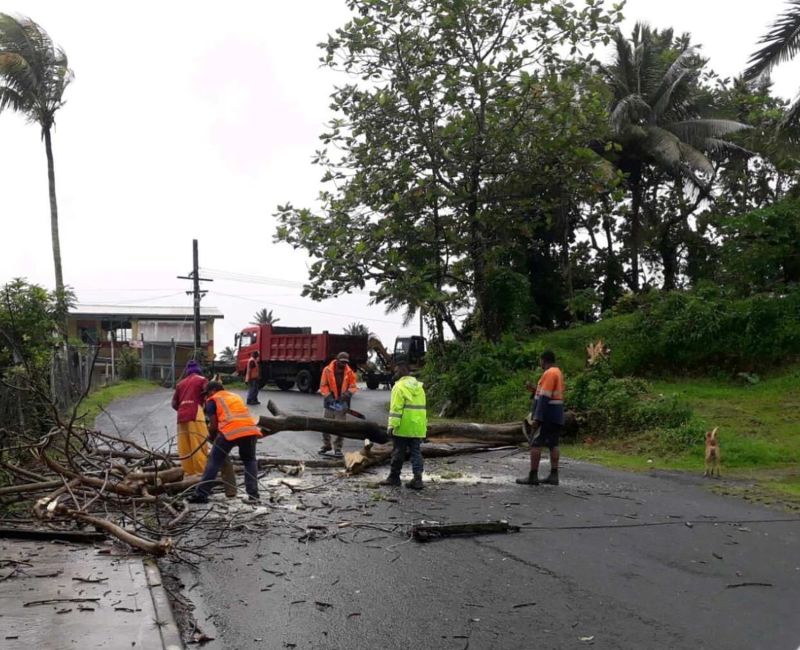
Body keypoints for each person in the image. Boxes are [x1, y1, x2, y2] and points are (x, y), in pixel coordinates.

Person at [187, 381, 262, 504]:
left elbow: (214, 425)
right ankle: (253, 496)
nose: (206, 396)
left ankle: (201, 494)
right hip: (249, 430)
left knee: (214, 461)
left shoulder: (213, 400)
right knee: (250, 461)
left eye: (207, 393)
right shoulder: (235, 396)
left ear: (213, 390)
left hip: (230, 431)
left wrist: (210, 436)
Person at [517, 350, 565, 486]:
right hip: (557, 414)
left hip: (547, 414)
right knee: (553, 444)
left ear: (543, 360)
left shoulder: (549, 373)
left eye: (540, 360)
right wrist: (534, 390)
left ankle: (533, 475)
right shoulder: (558, 372)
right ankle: (554, 475)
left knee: (536, 443)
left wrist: (537, 418)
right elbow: (549, 393)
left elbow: (544, 397)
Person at [379, 363, 427, 489]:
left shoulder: (398, 387)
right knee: (416, 452)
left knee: (398, 452)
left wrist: (392, 426)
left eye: (395, 372)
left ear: (399, 373)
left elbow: (396, 409)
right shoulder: (419, 387)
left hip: (402, 427)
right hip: (417, 426)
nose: (394, 374)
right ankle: (418, 479)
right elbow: (422, 409)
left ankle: (394, 477)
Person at [171, 359, 210, 476]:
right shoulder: (203, 380)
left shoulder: (180, 384)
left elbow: (173, 404)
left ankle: (189, 473)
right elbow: (208, 397)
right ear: (198, 370)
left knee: (185, 447)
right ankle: (201, 473)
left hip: (181, 416)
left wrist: (184, 407)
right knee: (198, 445)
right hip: (196, 415)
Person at [318, 351, 358, 458]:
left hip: (342, 403)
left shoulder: (350, 372)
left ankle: (338, 448)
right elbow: (323, 385)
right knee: (325, 425)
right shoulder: (327, 370)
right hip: (329, 402)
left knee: (340, 427)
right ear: (337, 360)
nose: (343, 364)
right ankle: (326, 445)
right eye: (342, 362)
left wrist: (347, 394)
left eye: (345, 362)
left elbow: (353, 386)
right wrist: (328, 396)